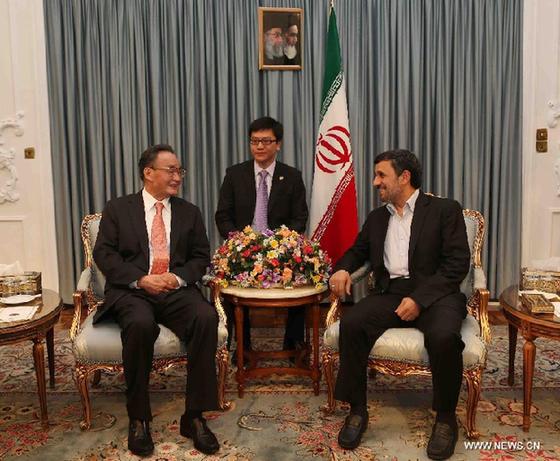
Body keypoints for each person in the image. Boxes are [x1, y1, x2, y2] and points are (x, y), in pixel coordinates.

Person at [329, 150, 470, 460]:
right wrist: (341, 268)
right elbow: (357, 251)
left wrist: (419, 299)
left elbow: (457, 265)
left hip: (437, 294)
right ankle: (357, 409)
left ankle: (445, 417)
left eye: (381, 175)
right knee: (352, 323)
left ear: (404, 177)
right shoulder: (378, 217)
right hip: (391, 293)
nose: (375, 181)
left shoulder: (444, 210)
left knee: (444, 337)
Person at [93, 144, 221, 456]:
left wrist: (176, 278)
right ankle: (139, 418)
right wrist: (140, 279)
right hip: (133, 290)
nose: (178, 176)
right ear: (148, 173)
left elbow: (200, 257)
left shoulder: (190, 212)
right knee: (139, 323)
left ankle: (194, 416)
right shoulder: (118, 208)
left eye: (180, 171)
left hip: (174, 290)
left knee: (206, 317)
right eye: (171, 170)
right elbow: (104, 254)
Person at [215, 116, 309, 358]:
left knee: (303, 274)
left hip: (281, 249)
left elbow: (300, 218)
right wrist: (238, 241)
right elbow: (222, 215)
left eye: (266, 141)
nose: (259, 146)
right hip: (243, 248)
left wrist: (283, 243)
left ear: (278, 144)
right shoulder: (235, 174)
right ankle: (242, 345)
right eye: (254, 141)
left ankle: (294, 342)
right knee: (230, 280)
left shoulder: (292, 176)